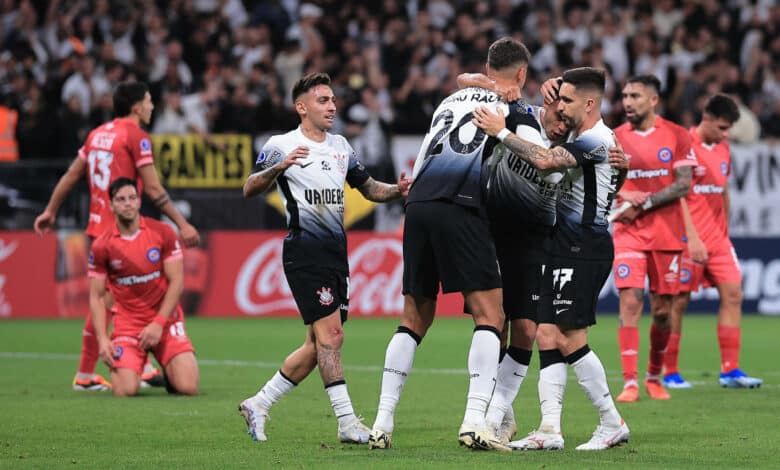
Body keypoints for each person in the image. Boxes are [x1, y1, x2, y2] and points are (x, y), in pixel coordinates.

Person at [366, 37, 529, 452]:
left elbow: (463, 81)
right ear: (522, 75)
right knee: (492, 315)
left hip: (418, 203)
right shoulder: (512, 109)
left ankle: (382, 423)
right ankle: (475, 421)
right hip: (461, 203)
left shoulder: (451, 99)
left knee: (414, 316)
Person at [238, 72, 412, 444]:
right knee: (332, 337)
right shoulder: (281, 144)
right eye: (323, 100)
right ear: (302, 107)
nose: (332, 106)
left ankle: (259, 403)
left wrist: (398, 191)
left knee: (318, 344)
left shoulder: (341, 146)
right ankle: (347, 423)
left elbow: (369, 189)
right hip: (304, 252)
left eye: (333, 100)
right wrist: (278, 167)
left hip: (336, 254)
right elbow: (249, 187)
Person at [473, 67, 629, 451]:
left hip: (583, 247)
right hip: (566, 246)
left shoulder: (594, 139)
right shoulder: (594, 140)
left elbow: (544, 160)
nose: (562, 107)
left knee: (568, 337)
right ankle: (549, 428)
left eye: (569, 101)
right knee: (546, 334)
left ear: (590, 104)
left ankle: (611, 421)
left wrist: (502, 132)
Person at [33, 81, 200, 391]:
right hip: (120, 232)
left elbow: (72, 174)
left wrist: (51, 210)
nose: (152, 106)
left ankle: (142, 364)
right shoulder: (135, 135)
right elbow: (152, 187)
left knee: (118, 300)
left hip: (97, 227)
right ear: (136, 107)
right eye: (149, 101)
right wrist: (181, 222)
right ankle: (85, 375)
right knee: (109, 301)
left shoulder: (97, 133)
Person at [664, 94, 762, 389]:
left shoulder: (723, 148)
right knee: (678, 302)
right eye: (721, 127)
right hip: (686, 239)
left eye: (728, 129)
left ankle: (730, 370)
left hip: (718, 240)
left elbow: (723, 191)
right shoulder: (684, 145)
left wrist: (725, 230)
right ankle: (669, 373)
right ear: (705, 118)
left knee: (733, 294)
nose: (726, 134)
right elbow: (677, 194)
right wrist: (692, 237)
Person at [611, 74, 697, 402]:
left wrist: (643, 201)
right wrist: (626, 192)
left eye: (634, 95)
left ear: (653, 100)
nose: (627, 102)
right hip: (629, 231)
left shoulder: (677, 135)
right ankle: (630, 382)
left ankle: (653, 375)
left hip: (667, 234)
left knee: (663, 311)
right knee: (631, 300)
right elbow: (607, 179)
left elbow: (683, 183)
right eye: (624, 96)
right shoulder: (615, 137)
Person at [88, 177, 199, 397]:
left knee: (188, 387)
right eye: (121, 199)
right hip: (128, 325)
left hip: (165, 322)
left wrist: (158, 323)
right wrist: (102, 339)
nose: (127, 203)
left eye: (132, 198)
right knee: (125, 390)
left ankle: (170, 371)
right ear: (111, 205)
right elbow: (97, 296)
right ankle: (132, 364)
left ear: (139, 202)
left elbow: (177, 282)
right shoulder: (102, 245)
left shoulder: (162, 233)